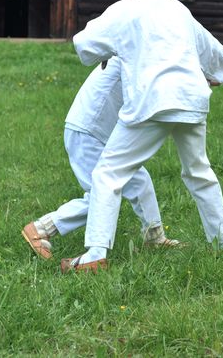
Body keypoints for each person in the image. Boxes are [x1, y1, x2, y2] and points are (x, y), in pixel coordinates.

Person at [62, 0, 223, 273]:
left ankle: (95, 255)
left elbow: (83, 45)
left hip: (150, 102)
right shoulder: (179, 10)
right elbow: (210, 49)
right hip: (191, 100)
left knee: (108, 173)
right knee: (199, 173)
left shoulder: (122, 11)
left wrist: (111, 47)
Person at [22, 57, 179, 260]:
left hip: (100, 133)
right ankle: (40, 228)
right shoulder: (134, 54)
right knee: (102, 196)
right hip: (87, 133)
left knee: (139, 180)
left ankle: (154, 237)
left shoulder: (140, 52)